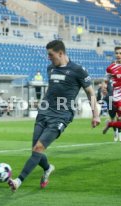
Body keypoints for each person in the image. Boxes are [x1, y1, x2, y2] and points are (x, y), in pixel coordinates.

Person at [8, 40, 100, 192]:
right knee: (35, 150)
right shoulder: (50, 68)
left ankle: (18, 180)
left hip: (61, 115)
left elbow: (90, 92)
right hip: (44, 112)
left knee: (38, 148)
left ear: (60, 53)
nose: (49, 58)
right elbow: (52, 88)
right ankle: (48, 168)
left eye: (51, 55)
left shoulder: (78, 70)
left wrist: (95, 115)